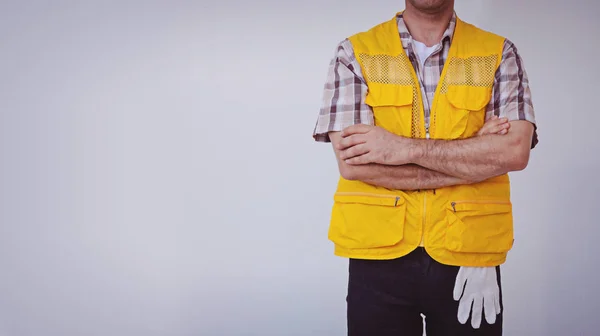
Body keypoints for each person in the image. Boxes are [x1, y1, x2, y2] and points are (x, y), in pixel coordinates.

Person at [312, 0, 538, 335]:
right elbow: (354, 166)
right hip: (378, 256)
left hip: (470, 255)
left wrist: (398, 148)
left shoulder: (498, 52)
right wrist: (475, 156)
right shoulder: (355, 53)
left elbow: (515, 152)